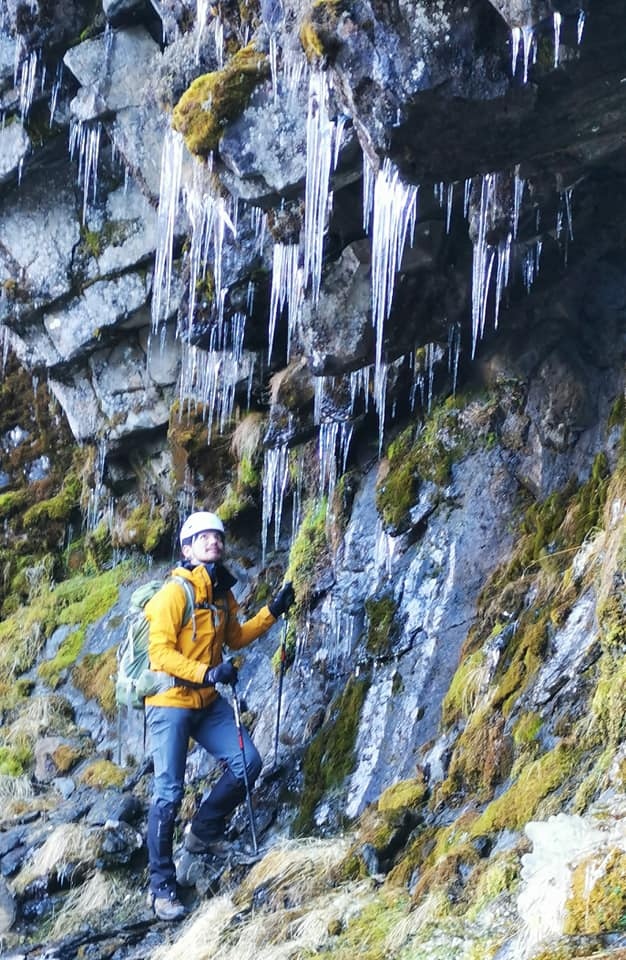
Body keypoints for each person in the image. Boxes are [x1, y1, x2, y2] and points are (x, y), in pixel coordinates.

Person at [144, 510, 294, 921]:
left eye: (218, 536)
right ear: (187, 548)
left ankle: (202, 834)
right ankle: (161, 888)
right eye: (204, 537)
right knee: (169, 794)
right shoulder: (174, 595)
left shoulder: (221, 594)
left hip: (207, 702)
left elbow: (236, 637)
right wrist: (208, 672)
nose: (215, 542)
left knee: (248, 762)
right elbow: (160, 654)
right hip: (170, 703)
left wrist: (272, 612)